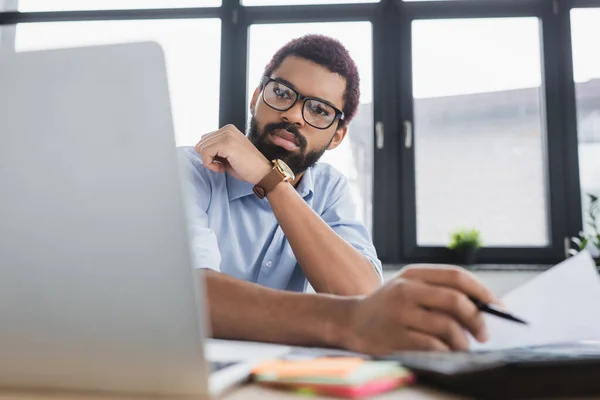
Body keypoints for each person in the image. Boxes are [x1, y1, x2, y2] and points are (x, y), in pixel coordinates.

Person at [181, 34, 498, 354]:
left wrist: (271, 181)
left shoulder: (330, 188)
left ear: (337, 136)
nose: (293, 116)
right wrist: (346, 323)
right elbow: (184, 297)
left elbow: (361, 295)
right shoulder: (188, 170)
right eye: (281, 93)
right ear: (256, 98)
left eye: (319, 110)